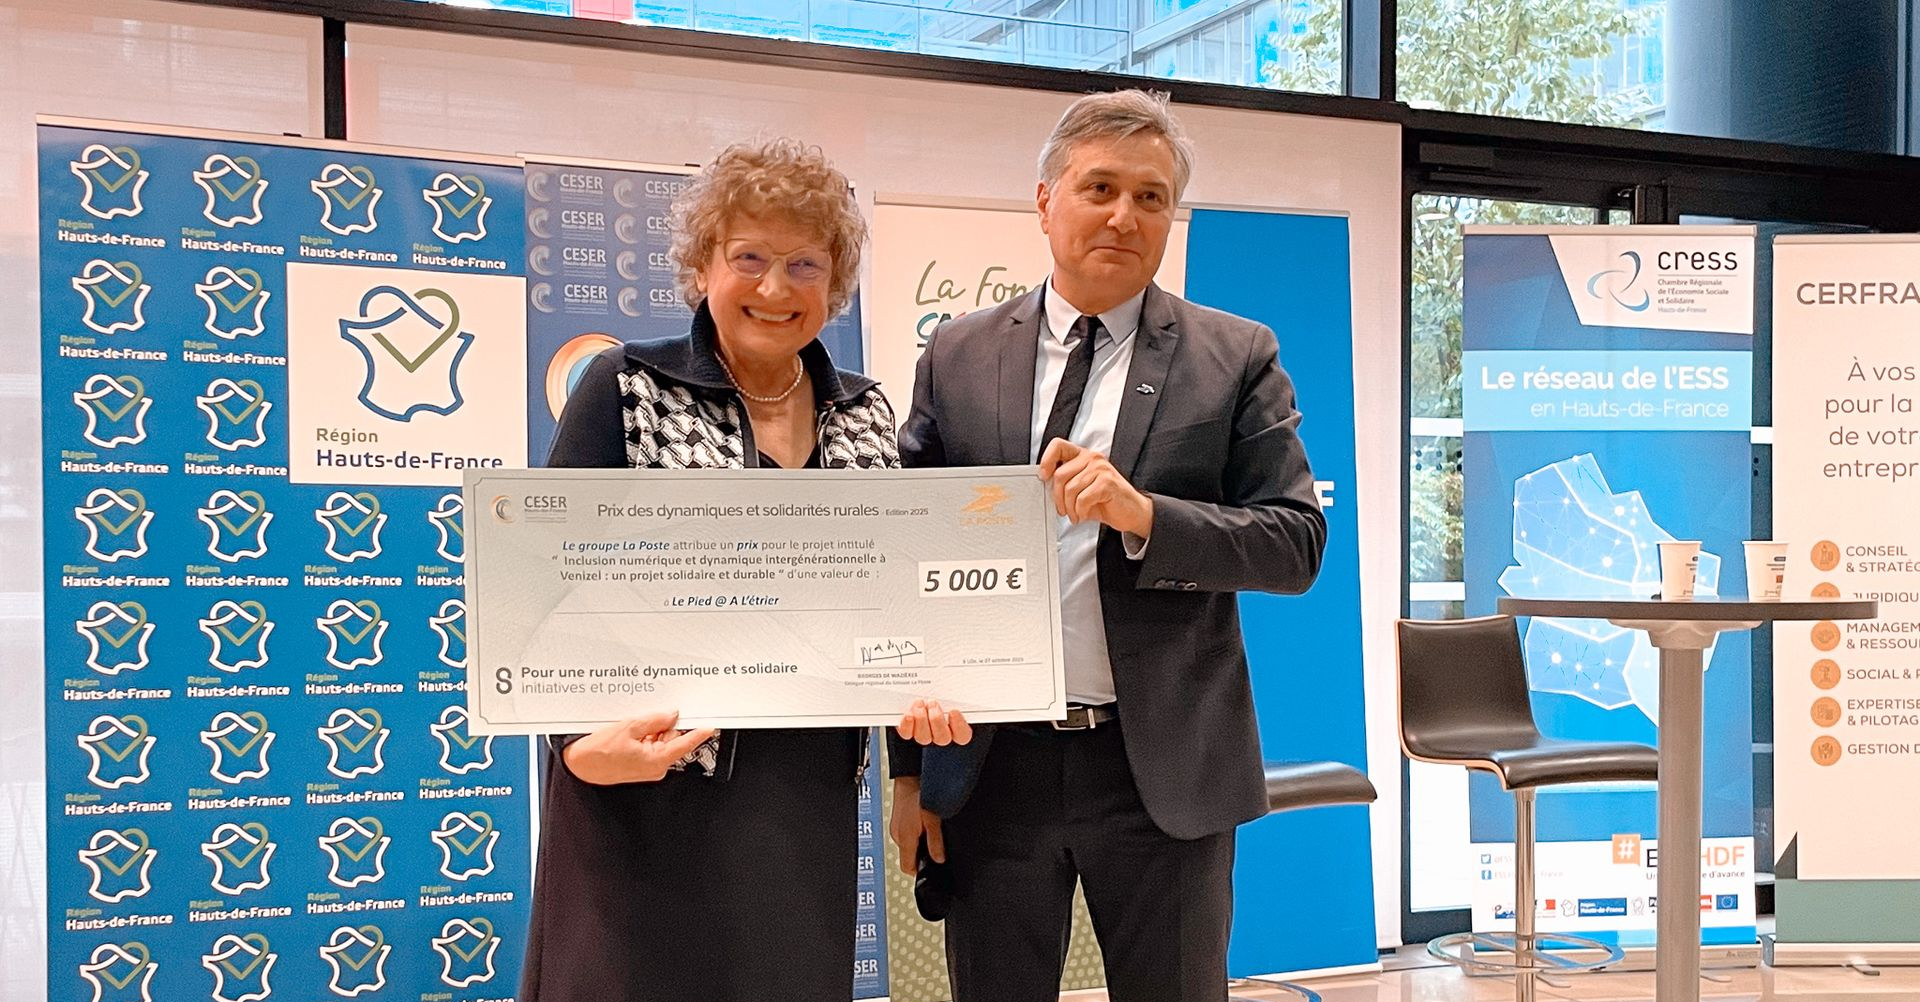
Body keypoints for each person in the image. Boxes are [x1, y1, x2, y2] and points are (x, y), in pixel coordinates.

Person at [886, 89, 1328, 1002]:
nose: (1124, 215)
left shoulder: (1234, 355)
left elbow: (1295, 544)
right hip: (990, 769)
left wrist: (1148, 517)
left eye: (1151, 197)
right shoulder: (957, 355)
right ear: (1045, 200)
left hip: (1161, 770)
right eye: (1099, 188)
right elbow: (905, 566)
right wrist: (908, 773)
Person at [521, 138, 968, 1002]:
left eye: (804, 264)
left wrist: (913, 756)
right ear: (703, 267)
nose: (775, 288)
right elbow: (545, 587)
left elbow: (896, 603)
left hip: (803, 794)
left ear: (834, 284)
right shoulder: (624, 386)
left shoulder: (865, 412)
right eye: (749, 258)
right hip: (648, 781)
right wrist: (575, 745)